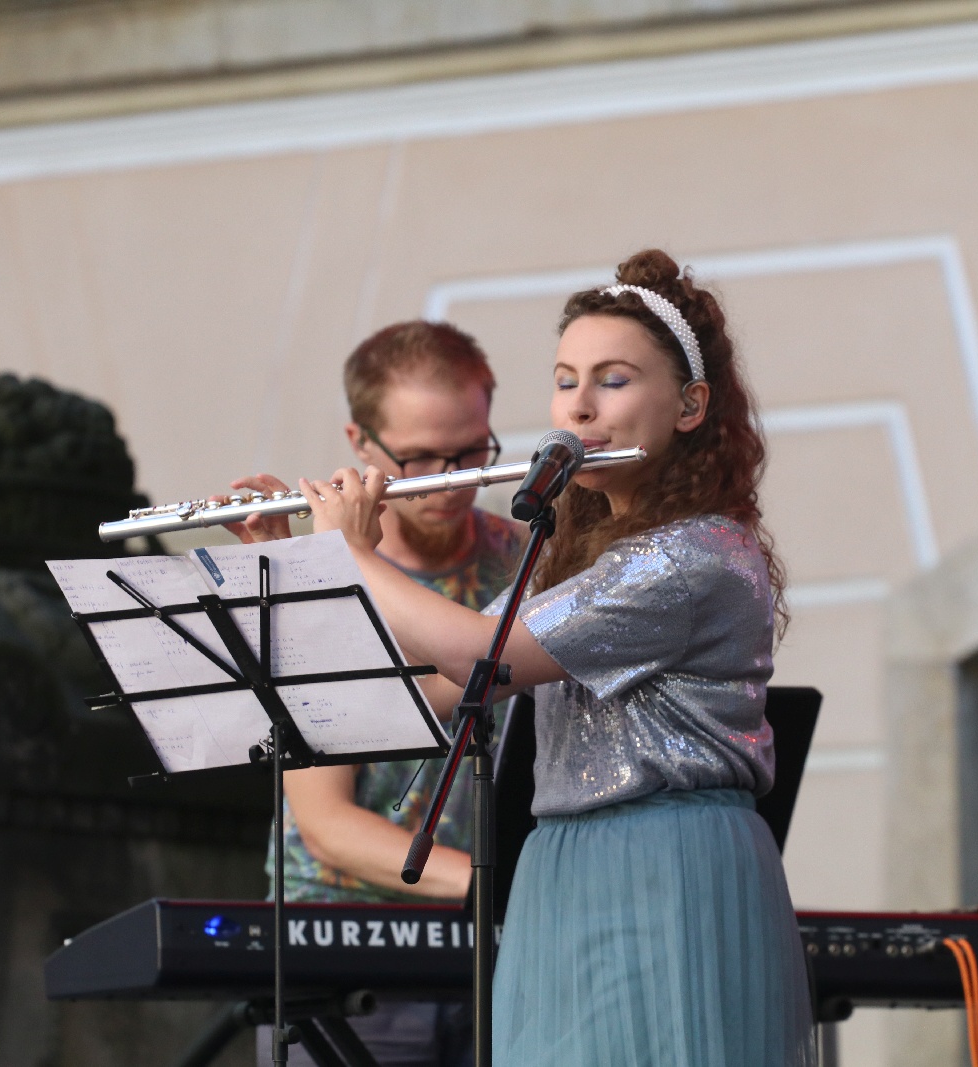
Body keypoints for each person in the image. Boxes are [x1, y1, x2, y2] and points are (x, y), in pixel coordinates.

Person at [279, 250, 814, 1065]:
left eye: (614, 380)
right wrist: (294, 564)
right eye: (566, 381)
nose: (581, 407)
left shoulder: (695, 555)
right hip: (566, 864)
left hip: (661, 864)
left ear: (690, 404)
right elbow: (431, 683)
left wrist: (351, 556)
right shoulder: (576, 554)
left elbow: (482, 657)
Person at [229, 320, 524, 1066]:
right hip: (344, 954)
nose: (452, 480)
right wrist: (506, 887)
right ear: (359, 442)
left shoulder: (527, 558)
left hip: (497, 951)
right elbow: (328, 824)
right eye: (419, 458)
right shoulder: (314, 574)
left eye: (471, 451)